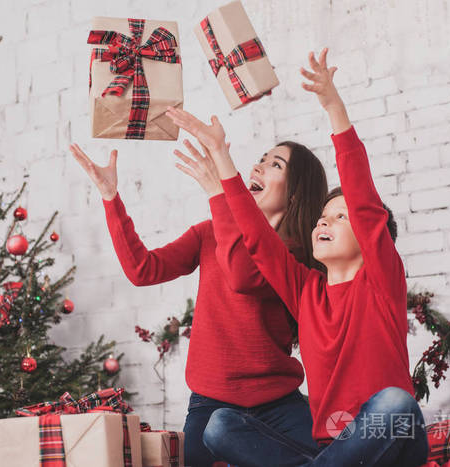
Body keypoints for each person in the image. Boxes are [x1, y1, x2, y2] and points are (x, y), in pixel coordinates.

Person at [165, 47, 429, 467]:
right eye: (322, 216)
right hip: (334, 452)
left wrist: (333, 106)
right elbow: (258, 240)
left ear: (370, 236)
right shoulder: (306, 291)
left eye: (340, 217)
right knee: (219, 425)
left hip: (392, 438)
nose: (324, 223)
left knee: (395, 402)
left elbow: (363, 197)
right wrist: (222, 159)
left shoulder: (381, 282)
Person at [69, 125, 328, 465]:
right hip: (211, 404)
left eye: (275, 164)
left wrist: (216, 191)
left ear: (294, 194)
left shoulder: (292, 253)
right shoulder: (210, 232)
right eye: (262, 159)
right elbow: (143, 269)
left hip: (278, 404)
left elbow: (242, 274)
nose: (258, 166)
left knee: (333, 457)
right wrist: (110, 197)